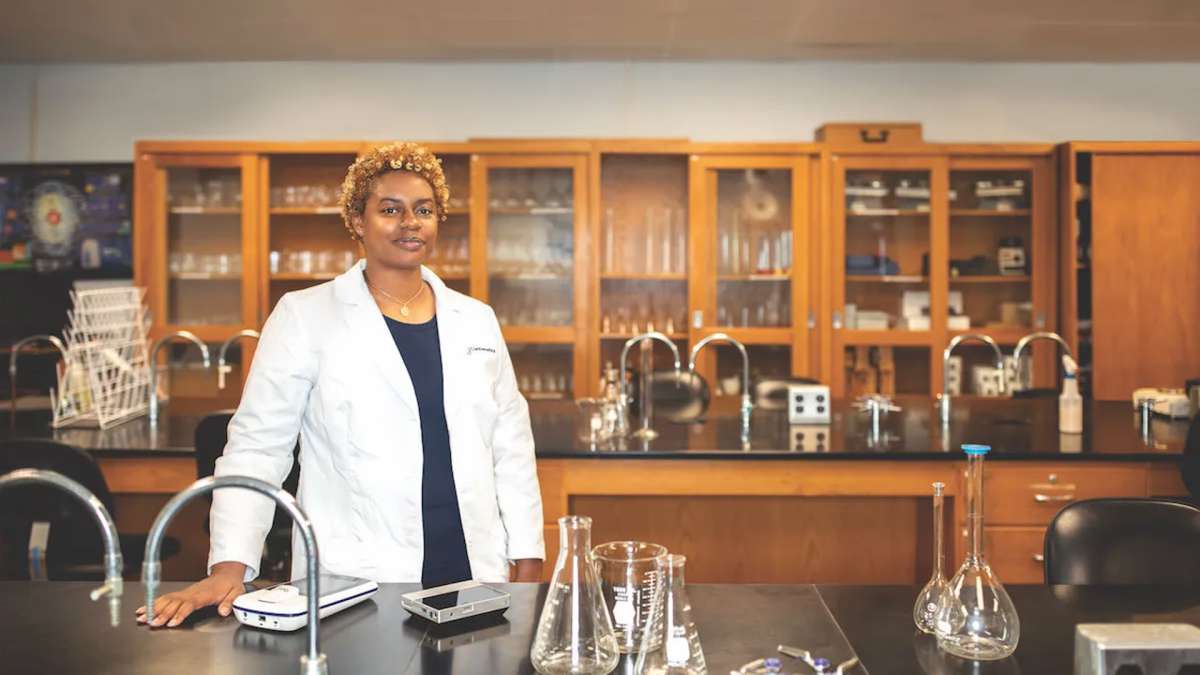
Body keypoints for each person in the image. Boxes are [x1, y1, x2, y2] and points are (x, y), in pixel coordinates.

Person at [139, 142, 544, 627]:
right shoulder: (305, 316)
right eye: (390, 210)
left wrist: (528, 556)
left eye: (423, 210)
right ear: (357, 220)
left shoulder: (476, 320)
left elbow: (511, 446)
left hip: (473, 571)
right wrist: (230, 567)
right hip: (358, 576)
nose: (410, 223)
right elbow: (257, 447)